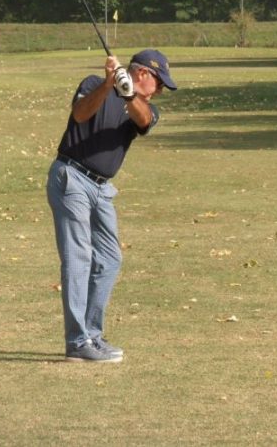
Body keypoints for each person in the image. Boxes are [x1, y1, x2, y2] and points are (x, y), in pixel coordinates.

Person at [46, 49, 177, 363]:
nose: (160, 90)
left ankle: (92, 335)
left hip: (102, 189)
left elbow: (143, 121)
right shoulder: (93, 84)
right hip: (72, 178)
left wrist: (128, 94)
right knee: (79, 258)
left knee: (109, 259)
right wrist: (108, 85)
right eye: (159, 83)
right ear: (143, 73)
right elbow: (80, 114)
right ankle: (77, 342)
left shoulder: (145, 108)